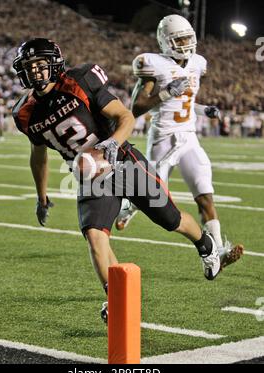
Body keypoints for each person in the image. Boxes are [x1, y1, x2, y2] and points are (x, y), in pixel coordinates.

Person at [12, 38, 231, 324]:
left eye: (41, 65)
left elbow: (124, 116)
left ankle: (206, 245)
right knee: (95, 235)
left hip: (125, 162)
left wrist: (113, 143)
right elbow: (38, 156)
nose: (36, 72)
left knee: (171, 220)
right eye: (30, 67)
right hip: (92, 177)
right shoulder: (25, 112)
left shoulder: (80, 81)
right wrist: (41, 197)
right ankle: (117, 297)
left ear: (54, 63)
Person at [115, 15, 243, 266]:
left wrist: (204, 109)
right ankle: (129, 207)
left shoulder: (197, 63)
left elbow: (185, 103)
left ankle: (218, 250)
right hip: (162, 138)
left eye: (187, 37)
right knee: (152, 193)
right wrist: (165, 91)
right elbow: (137, 107)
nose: (185, 43)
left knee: (205, 193)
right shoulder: (154, 65)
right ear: (165, 41)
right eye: (179, 39)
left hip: (189, 138)